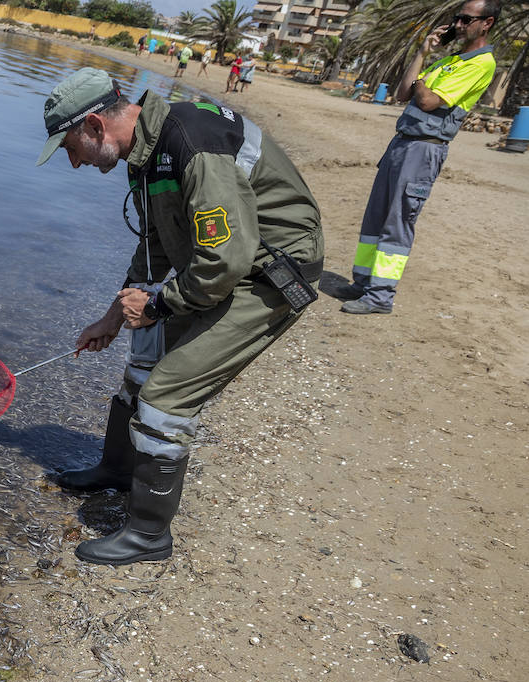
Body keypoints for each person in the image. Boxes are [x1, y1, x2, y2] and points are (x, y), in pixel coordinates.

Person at [34, 69, 324, 565]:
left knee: (168, 393)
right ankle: (117, 470)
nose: (75, 163)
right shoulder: (144, 152)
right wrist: (114, 316)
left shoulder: (193, 143)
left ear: (96, 126)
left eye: (70, 148)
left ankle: (148, 535)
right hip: (223, 262)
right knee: (142, 363)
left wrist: (158, 304)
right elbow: (155, 252)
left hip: (270, 272)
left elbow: (225, 262)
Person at [333, 0, 499, 315]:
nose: (458, 25)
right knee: (376, 216)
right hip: (401, 143)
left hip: (425, 148)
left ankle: (380, 297)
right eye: (456, 18)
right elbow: (402, 92)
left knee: (398, 221)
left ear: (486, 23)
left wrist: (423, 80)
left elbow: (425, 100)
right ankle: (362, 282)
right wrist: (423, 53)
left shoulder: (480, 63)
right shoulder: (450, 60)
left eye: (465, 19)